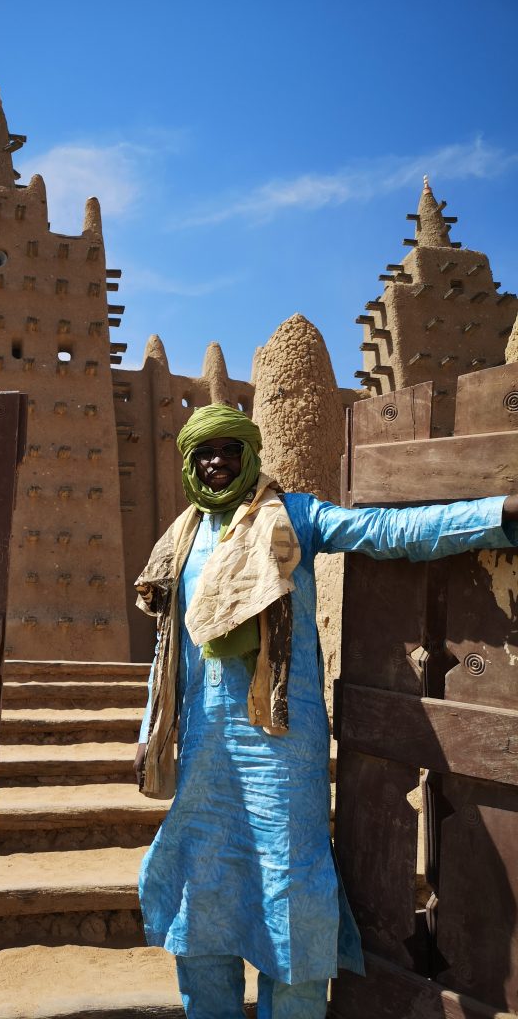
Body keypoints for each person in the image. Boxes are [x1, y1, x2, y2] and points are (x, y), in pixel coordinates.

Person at [132, 403, 518, 1019]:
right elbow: (169, 645)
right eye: (203, 453)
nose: (215, 462)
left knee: (293, 890)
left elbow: (387, 534)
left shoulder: (296, 515)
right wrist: (154, 728)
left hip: (282, 742)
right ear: (189, 462)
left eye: (228, 450)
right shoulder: (181, 537)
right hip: (207, 751)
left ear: (249, 455)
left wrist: (496, 516)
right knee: (201, 890)